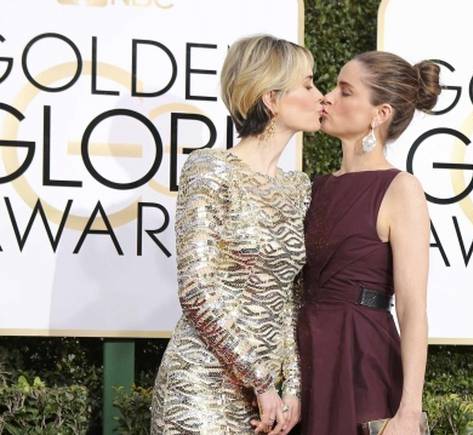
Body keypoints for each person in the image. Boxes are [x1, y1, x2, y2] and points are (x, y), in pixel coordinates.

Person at [150, 34, 324, 435]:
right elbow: (196, 289)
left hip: (268, 401)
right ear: (272, 99)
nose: (321, 96)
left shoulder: (298, 188)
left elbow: (291, 297)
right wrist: (261, 380)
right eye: (308, 84)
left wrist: (293, 388)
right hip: (198, 387)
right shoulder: (210, 169)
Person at [297, 51, 440, 435]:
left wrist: (410, 410)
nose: (327, 97)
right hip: (306, 358)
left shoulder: (400, 189)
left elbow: (412, 308)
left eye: (345, 92)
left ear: (380, 114)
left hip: (362, 359)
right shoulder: (315, 186)